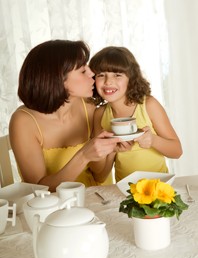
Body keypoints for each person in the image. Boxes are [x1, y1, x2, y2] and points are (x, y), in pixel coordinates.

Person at [9, 40, 122, 192]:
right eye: (83, 71)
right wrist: (83, 156)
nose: (92, 73)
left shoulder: (89, 106)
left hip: (94, 201)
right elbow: (39, 190)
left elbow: (100, 176)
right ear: (57, 78)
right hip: (55, 211)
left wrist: (113, 148)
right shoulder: (24, 122)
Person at [89, 46, 183, 183]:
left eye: (117, 75)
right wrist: (112, 150)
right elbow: (100, 176)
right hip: (125, 193)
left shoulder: (148, 105)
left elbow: (177, 151)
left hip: (158, 189)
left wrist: (153, 140)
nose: (108, 81)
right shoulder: (100, 114)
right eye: (101, 75)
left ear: (131, 78)